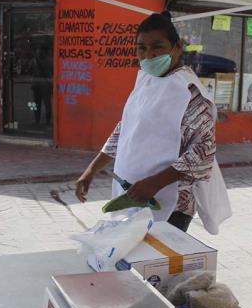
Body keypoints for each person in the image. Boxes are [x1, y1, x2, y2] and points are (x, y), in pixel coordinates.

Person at [75, 12, 230, 233]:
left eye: (157, 47)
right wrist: (91, 170)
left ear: (177, 47)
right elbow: (125, 130)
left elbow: (203, 152)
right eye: (142, 48)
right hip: (132, 197)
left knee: (156, 264)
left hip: (170, 203)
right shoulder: (147, 82)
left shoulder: (190, 93)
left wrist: (155, 183)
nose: (149, 55)